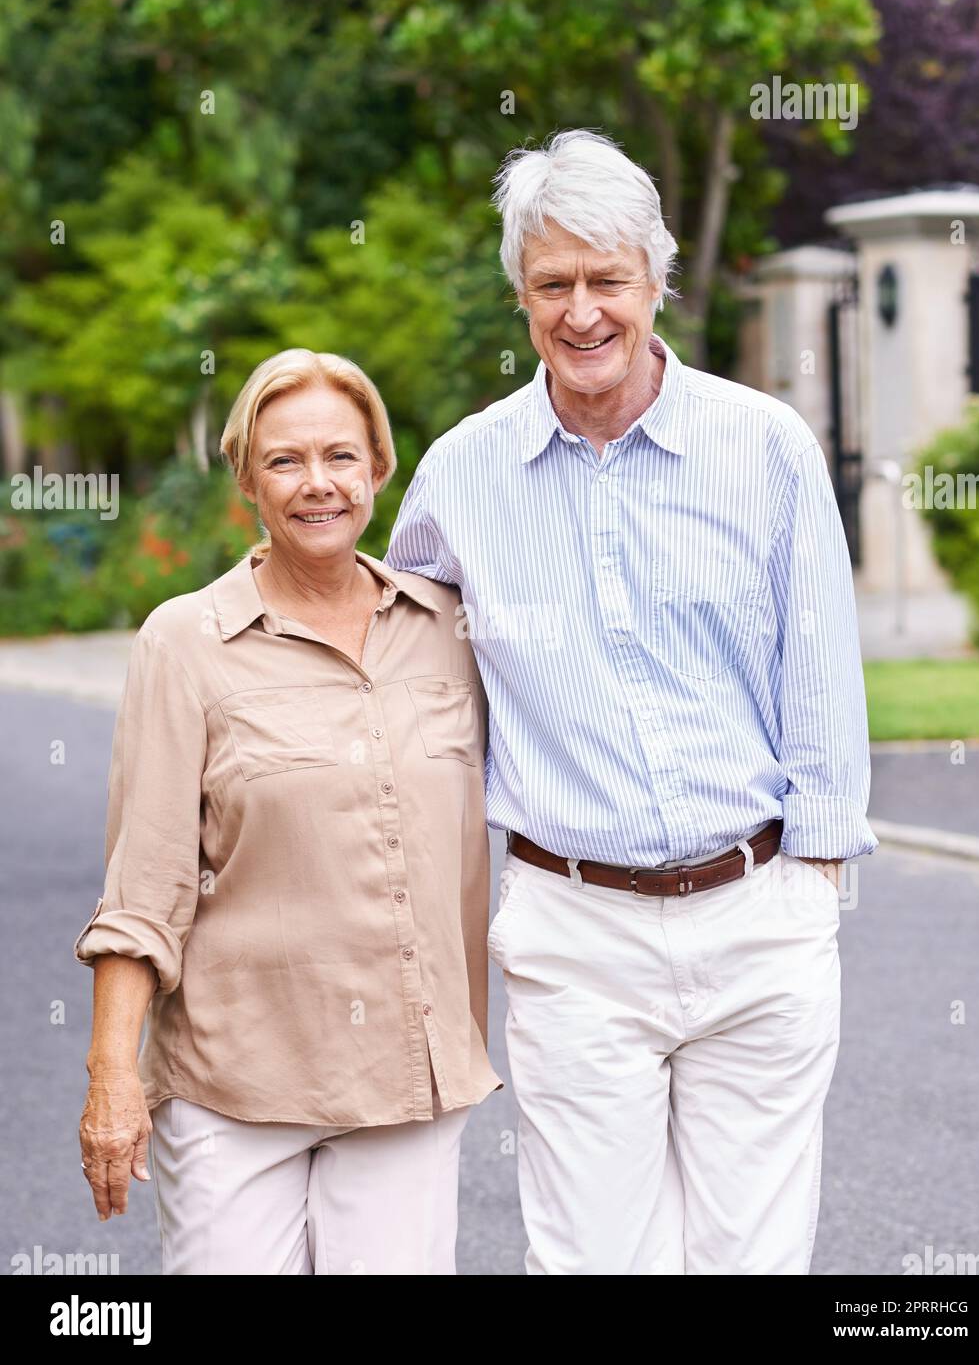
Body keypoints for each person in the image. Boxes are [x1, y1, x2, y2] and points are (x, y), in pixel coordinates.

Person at [385, 129, 879, 1274]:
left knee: (751, 1258)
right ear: (521, 295)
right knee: (594, 1260)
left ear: (657, 278)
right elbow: (392, 651)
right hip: (573, 926)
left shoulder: (763, 447)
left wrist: (809, 879)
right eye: (553, 283)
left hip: (759, 909)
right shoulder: (461, 474)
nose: (583, 311)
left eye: (608, 279)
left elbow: (820, 667)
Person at [75, 348, 502, 1275]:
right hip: (234, 1089)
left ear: (380, 469)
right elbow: (141, 892)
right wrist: (112, 1076)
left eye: (342, 457)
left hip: (407, 1085)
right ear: (247, 482)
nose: (319, 485)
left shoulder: (446, 628)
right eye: (285, 461)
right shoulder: (184, 643)